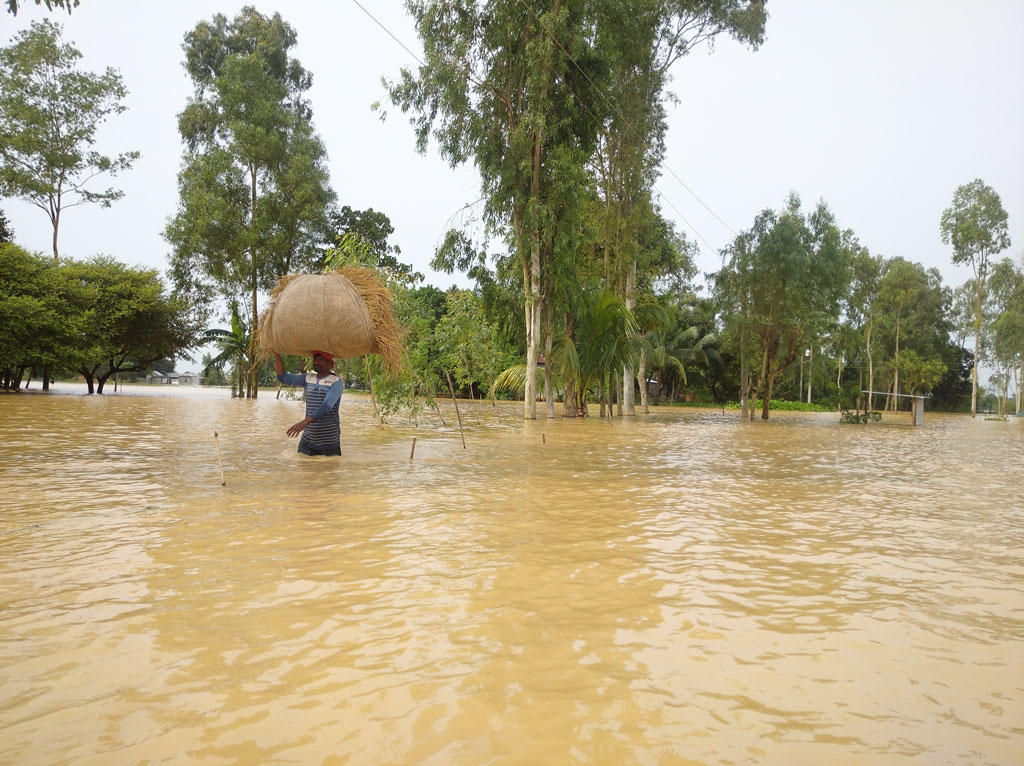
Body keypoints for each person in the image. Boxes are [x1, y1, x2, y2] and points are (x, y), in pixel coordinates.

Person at [274, 351, 344, 456]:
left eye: (321, 360)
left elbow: (326, 407)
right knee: (303, 470)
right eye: (315, 359)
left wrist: (304, 422)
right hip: (308, 439)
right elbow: (282, 377)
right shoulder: (308, 378)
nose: (316, 362)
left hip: (329, 441)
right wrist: (276, 354)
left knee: (329, 471)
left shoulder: (336, 382)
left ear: (331, 364)